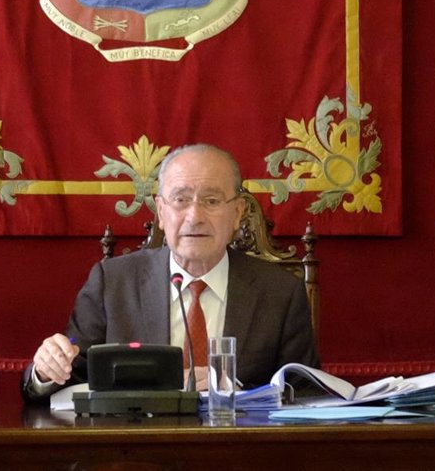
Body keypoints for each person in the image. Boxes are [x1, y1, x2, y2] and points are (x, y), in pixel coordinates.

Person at [24, 144, 317, 399]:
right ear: (161, 212)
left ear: (238, 213)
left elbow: (306, 394)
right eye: (181, 200)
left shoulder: (279, 292)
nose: (195, 216)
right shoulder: (112, 282)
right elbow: (73, 376)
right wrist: (46, 372)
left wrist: (238, 391)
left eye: (212, 201)